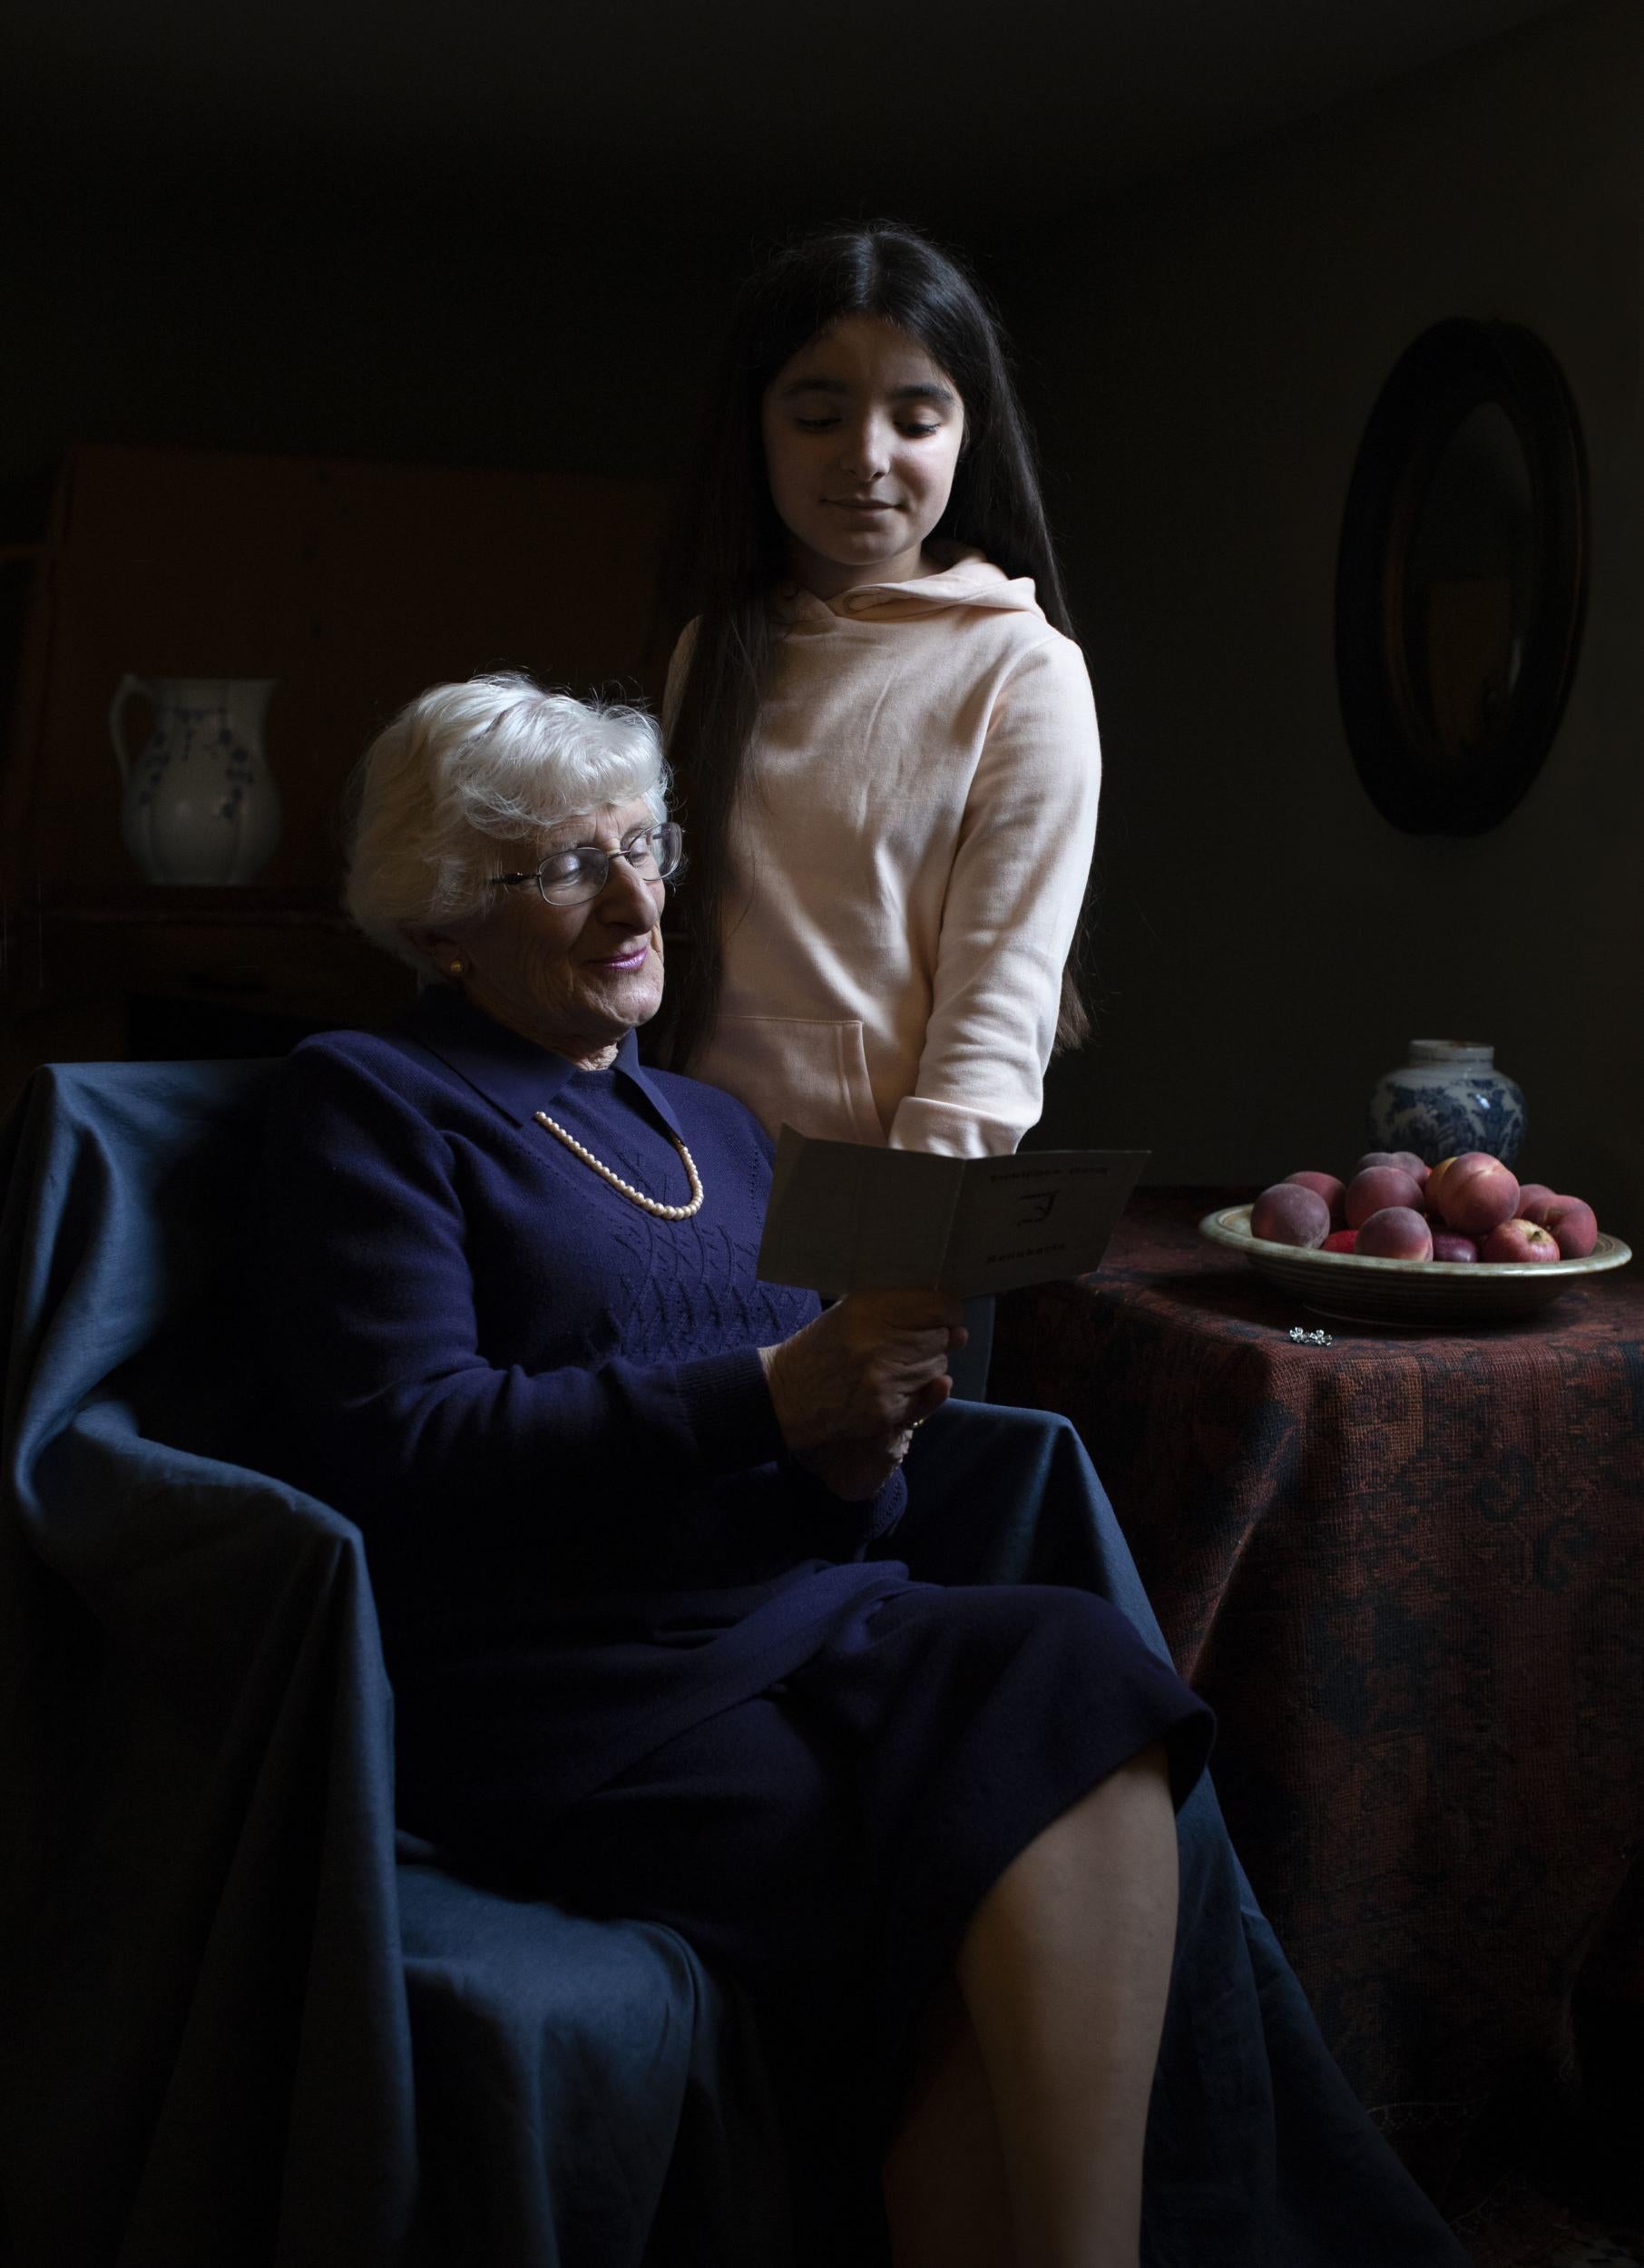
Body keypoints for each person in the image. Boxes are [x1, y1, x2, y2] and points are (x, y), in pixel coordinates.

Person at [252, 676, 1468, 2268]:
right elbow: (405, 1445)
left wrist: (856, 1449)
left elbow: (824, 1486)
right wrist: (773, 1397)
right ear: (439, 925)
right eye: (562, 866)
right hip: (566, 1691)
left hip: (805, 1622)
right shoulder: (370, 1104)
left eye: (644, 844)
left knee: (1077, 1668)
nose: (633, 898)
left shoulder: (716, 1128)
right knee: (949, 1880)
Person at [654, 221, 1101, 1392]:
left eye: (915, 415)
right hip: (678, 1192)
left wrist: (905, 1259)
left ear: (969, 434)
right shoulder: (716, 648)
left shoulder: (1023, 670)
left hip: (889, 1232)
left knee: (874, 1560)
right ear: (755, 428)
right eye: (816, 413)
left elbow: (1000, 1004)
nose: (865, 455)